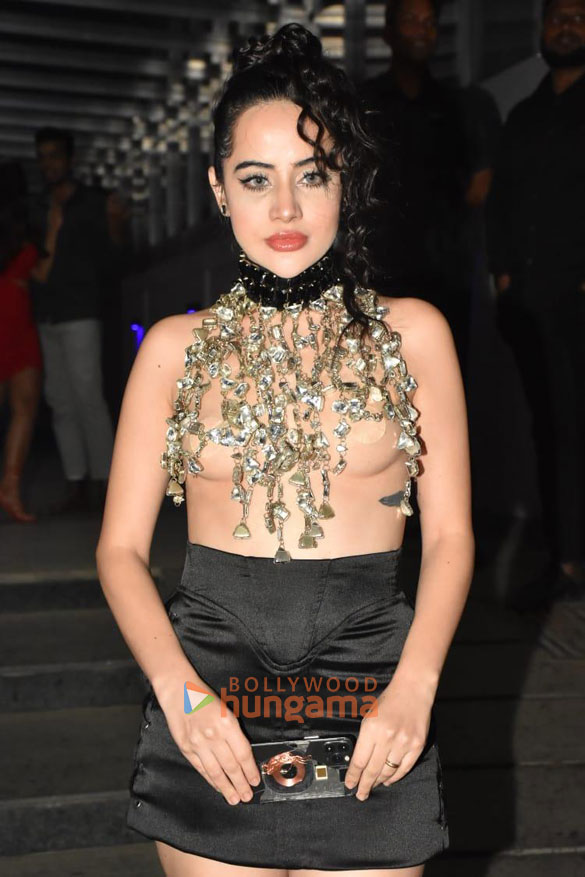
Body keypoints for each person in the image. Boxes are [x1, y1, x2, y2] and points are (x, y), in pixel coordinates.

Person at [96, 23, 473, 876]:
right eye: (256, 179)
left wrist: (414, 687)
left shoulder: (413, 335)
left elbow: (451, 537)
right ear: (218, 188)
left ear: (346, 179)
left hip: (374, 693)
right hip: (210, 701)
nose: (286, 210)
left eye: (312, 175)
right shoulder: (174, 350)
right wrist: (182, 697)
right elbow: (118, 551)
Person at [486, 0, 585, 607]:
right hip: (529, 306)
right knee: (550, 432)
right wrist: (503, 281)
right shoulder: (524, 115)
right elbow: (501, 204)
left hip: (577, 301)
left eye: (577, 16)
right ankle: (562, 560)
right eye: (556, 17)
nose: (565, 27)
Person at [360, 0, 500, 380]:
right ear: (389, 32)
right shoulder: (364, 104)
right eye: (412, 21)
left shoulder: (458, 106)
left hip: (445, 275)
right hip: (381, 272)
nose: (422, 30)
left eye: (430, 22)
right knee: (383, 381)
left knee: (445, 378)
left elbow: (479, 185)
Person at [29, 127, 128, 514]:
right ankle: (76, 483)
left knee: (88, 395)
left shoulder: (93, 201)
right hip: (47, 312)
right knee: (59, 399)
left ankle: (105, 484)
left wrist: (116, 223)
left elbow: (116, 257)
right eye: (42, 157)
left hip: (82, 309)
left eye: (54, 155)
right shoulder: (37, 205)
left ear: (69, 159)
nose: (48, 163)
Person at [0, 164, 42, 523]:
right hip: (12, 318)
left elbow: (43, 273)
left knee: (25, 407)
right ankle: (9, 490)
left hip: (20, 322)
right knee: (23, 408)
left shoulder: (27, 225)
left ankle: (9, 490)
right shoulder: (25, 226)